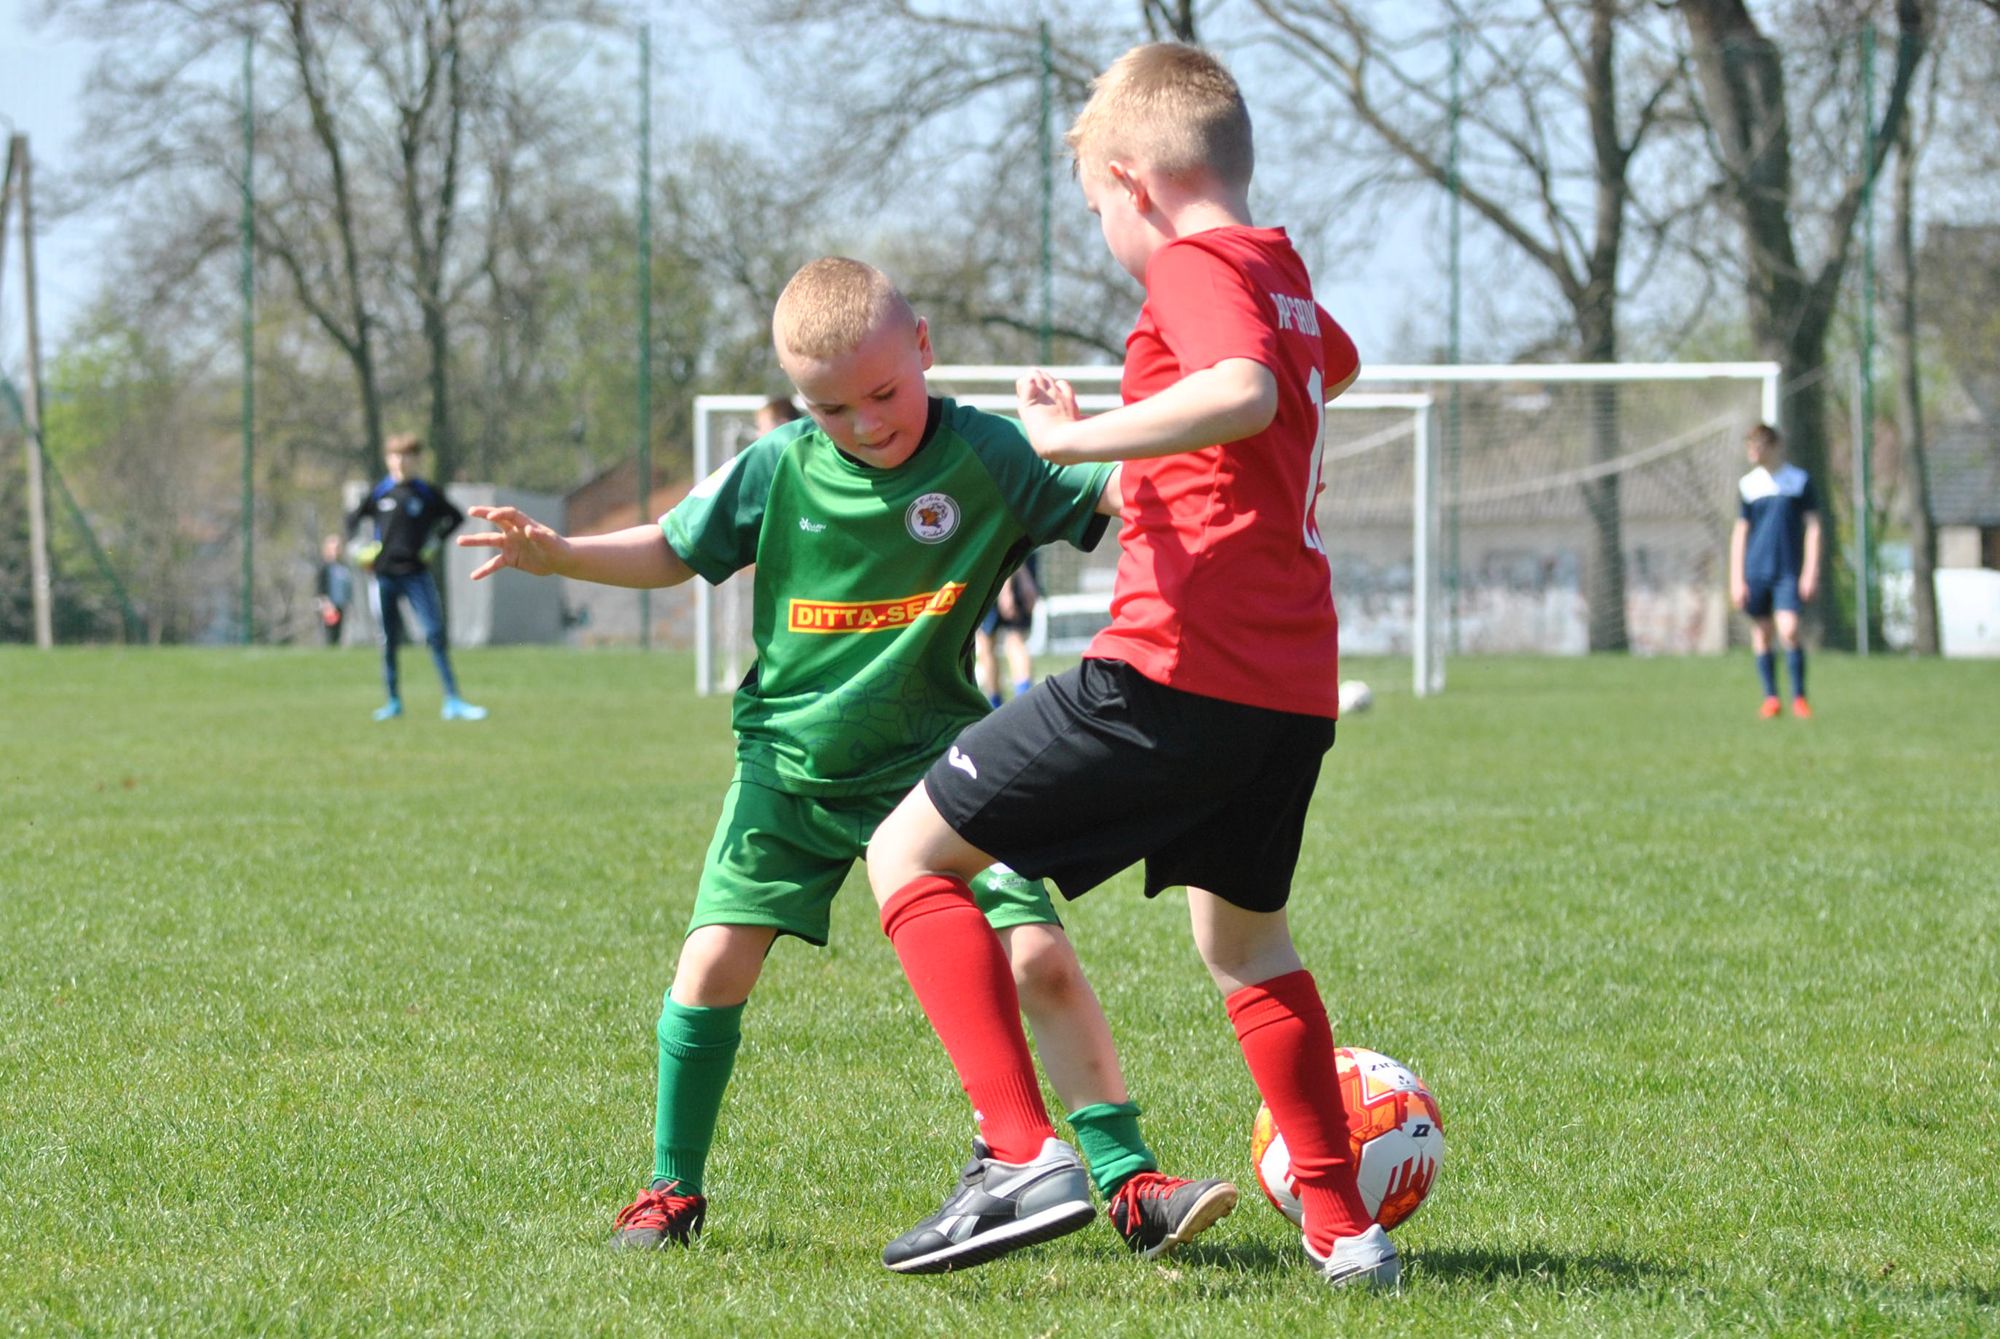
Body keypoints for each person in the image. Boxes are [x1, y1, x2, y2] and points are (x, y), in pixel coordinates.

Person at [458, 257, 1234, 1262]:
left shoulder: (988, 454)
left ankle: (1130, 1184)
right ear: (795, 401)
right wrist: (560, 554)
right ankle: (668, 1190)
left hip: (941, 767)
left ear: (923, 351)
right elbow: (674, 547)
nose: (865, 423)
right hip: (787, 767)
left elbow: (1125, 493)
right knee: (709, 968)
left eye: (881, 394)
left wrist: (1200, 453)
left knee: (1038, 954)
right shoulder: (778, 465)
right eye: (832, 408)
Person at [863, 42, 1400, 1288]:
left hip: (1170, 667)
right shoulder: (1274, 268)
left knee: (906, 853)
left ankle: (1019, 1154)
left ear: (1131, 183)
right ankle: (1344, 1230)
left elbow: (1244, 391)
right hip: (1284, 689)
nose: (1105, 230)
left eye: (1098, 208)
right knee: (1249, 946)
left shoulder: (1202, 264)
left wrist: (1073, 432)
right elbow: (1321, 365)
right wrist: (1158, 437)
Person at [345, 433, 487, 722]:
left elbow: (455, 517)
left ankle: (453, 700)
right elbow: (352, 520)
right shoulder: (380, 492)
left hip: (416, 575)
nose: (401, 462)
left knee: (434, 633)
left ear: (416, 460)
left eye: (407, 456)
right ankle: (393, 701)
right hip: (383, 575)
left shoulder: (426, 493)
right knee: (389, 639)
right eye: (395, 456)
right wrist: (358, 550)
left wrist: (433, 543)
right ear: (388, 459)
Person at [1729, 423, 1820, 719]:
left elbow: (1814, 528)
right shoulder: (1749, 485)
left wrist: (1810, 570)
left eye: (1758, 445)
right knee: (1763, 631)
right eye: (1749, 446)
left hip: (1787, 569)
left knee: (1790, 629)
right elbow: (1741, 532)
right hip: (1756, 570)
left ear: (1774, 445)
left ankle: (1799, 698)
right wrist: (1736, 577)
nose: (1752, 452)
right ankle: (1771, 698)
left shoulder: (1798, 481)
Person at [974, 552, 1038, 707]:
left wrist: (1007, 588)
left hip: (1010, 570)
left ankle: (1023, 702)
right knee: (986, 643)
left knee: (1014, 640)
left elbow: (1012, 544)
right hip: (993, 572)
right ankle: (995, 705)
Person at [314, 534, 353, 648]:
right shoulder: (324, 567)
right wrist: (326, 603)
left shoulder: (343, 567)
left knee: (339, 632)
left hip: (340, 603)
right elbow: (320, 587)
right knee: (329, 633)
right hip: (327, 604)